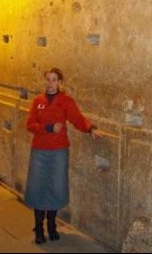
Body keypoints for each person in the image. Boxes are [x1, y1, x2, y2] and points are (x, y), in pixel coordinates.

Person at [24, 67, 102, 244]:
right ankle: (39, 228)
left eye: (54, 80)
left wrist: (90, 128)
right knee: (37, 187)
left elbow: (77, 119)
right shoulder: (38, 101)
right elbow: (30, 124)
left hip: (59, 151)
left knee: (55, 187)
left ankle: (52, 225)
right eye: (48, 79)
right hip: (40, 151)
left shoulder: (66, 101)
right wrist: (47, 128)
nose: (50, 83)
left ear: (60, 82)